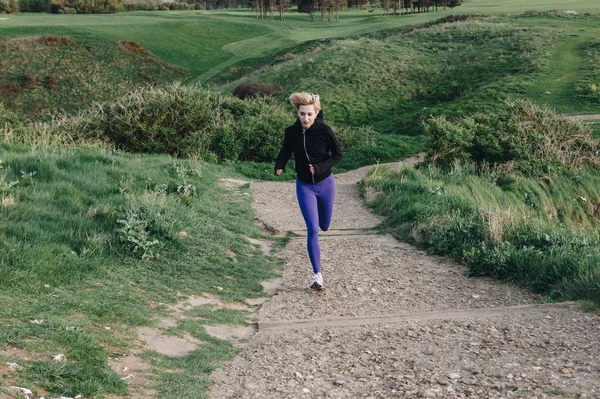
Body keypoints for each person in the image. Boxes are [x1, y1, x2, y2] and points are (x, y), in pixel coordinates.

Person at [274, 92, 343, 290]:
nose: (306, 118)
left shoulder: (324, 131)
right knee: (312, 229)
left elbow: (337, 155)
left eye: (310, 115)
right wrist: (280, 165)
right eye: (302, 114)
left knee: (325, 226)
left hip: (326, 183)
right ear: (297, 112)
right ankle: (317, 275)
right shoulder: (292, 132)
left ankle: (317, 270)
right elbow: (286, 150)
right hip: (304, 185)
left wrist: (320, 167)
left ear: (316, 113)